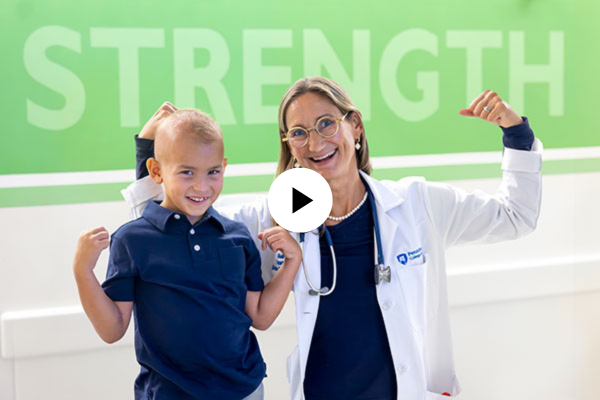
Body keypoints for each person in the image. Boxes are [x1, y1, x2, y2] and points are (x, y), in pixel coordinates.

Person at [123, 77, 542, 400]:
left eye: (326, 123)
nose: (316, 141)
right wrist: (149, 154)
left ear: (354, 126)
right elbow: (166, 234)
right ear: (289, 146)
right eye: (299, 132)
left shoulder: (415, 204)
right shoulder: (273, 217)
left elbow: (516, 216)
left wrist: (516, 134)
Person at [73, 109, 302, 400]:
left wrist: (291, 262)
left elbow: (259, 316)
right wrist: (83, 271)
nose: (201, 186)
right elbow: (112, 329)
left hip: (244, 390)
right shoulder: (132, 240)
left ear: (224, 167)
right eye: (187, 172)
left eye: (213, 172)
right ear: (156, 171)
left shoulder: (238, 236)